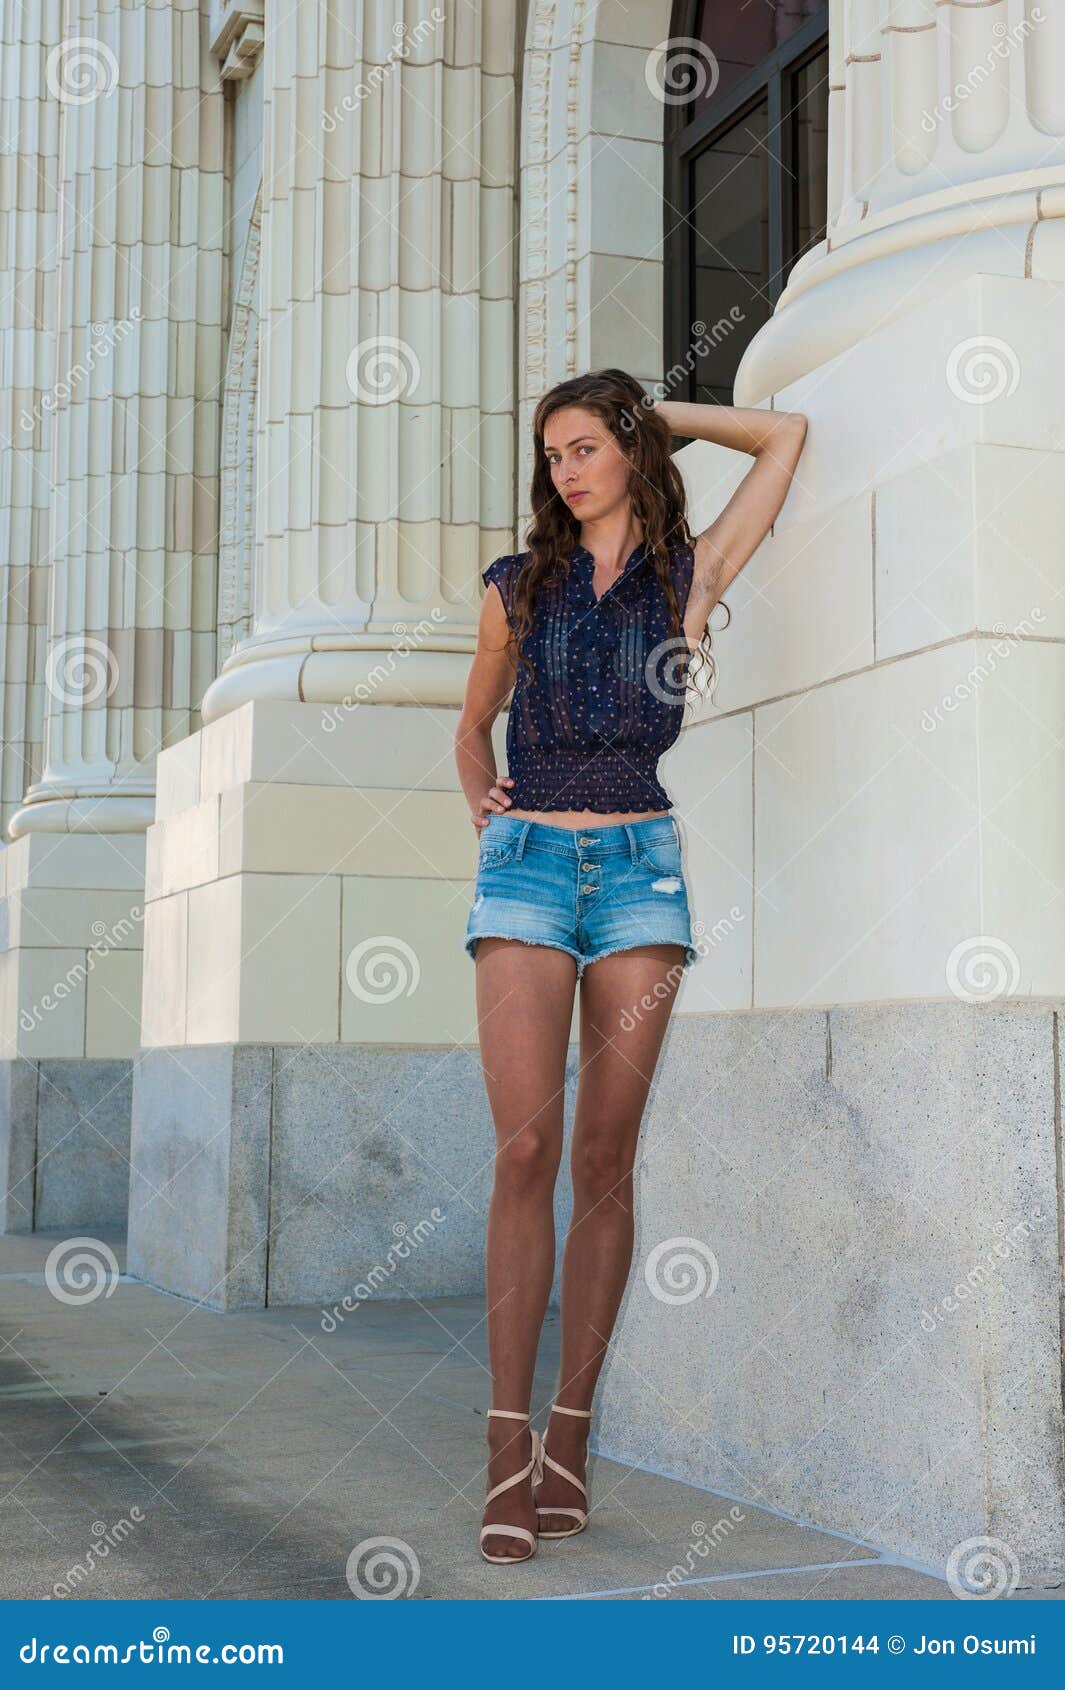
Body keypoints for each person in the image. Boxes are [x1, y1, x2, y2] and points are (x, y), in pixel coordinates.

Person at [453, 368, 808, 1564]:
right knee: (526, 1146)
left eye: (588, 444)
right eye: (551, 450)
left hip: (642, 872)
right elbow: (472, 720)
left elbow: (785, 435)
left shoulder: (686, 575)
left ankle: (571, 1433)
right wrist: (477, 793)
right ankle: (505, 1448)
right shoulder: (518, 586)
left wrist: (667, 413)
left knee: (605, 1154)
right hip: (529, 864)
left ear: (631, 452)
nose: (565, 466)